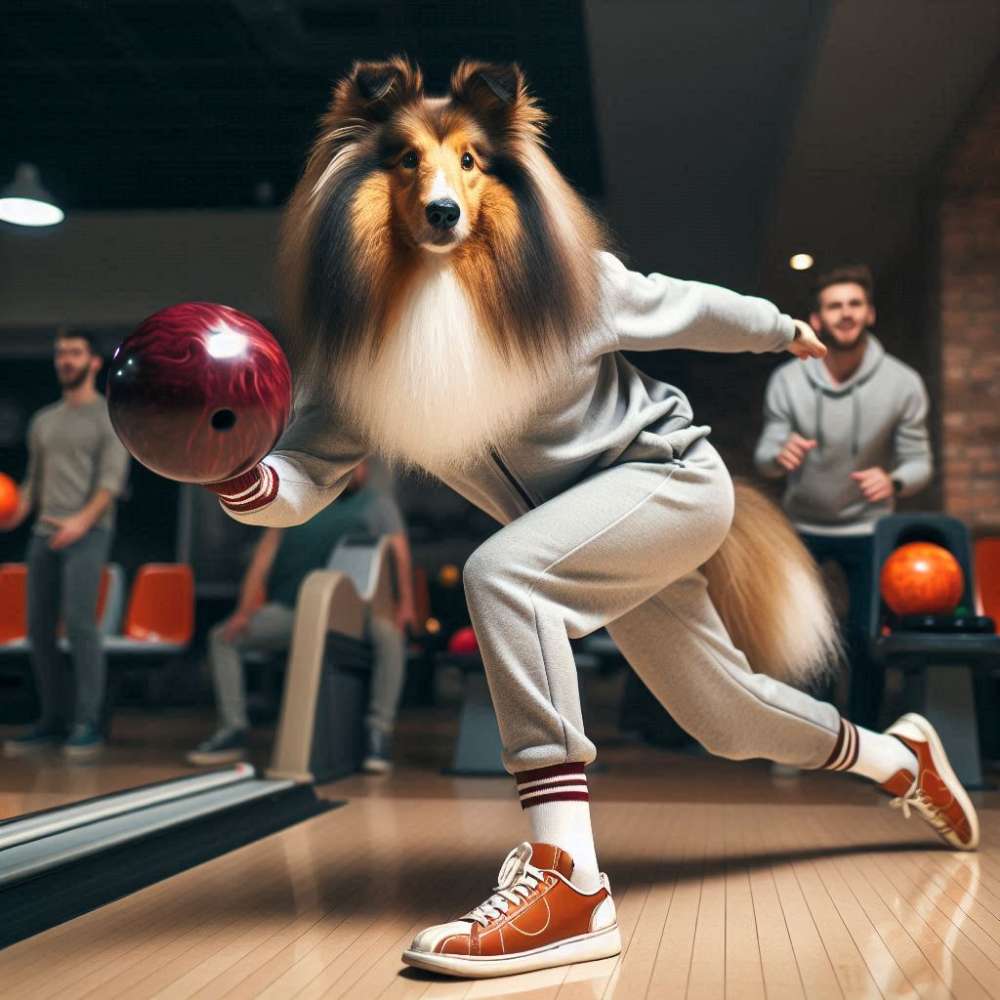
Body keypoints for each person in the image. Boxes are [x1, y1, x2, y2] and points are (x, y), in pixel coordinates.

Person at [203, 60, 977, 978]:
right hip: (582, 541)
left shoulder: (567, 286)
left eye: (467, 164)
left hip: (668, 482)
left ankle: (569, 878)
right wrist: (243, 480)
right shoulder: (355, 356)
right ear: (364, 183)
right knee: (726, 721)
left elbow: (684, 305)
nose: (439, 189)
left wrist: (779, 328)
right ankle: (899, 760)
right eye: (410, 164)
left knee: (503, 573)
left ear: (502, 175)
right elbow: (307, 473)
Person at [754, 265, 933, 728]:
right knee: (808, 633)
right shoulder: (788, 381)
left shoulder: (903, 383)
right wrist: (781, 455)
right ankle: (812, 734)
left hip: (869, 525)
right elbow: (765, 455)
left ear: (869, 313)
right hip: (804, 523)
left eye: (854, 304)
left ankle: (868, 735)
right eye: (835, 306)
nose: (846, 313)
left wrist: (893, 481)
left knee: (865, 634)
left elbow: (920, 462)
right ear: (816, 320)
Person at [187, 459, 415, 771]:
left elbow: (399, 554)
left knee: (389, 638)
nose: (357, 471)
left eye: (361, 466)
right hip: (293, 611)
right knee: (222, 638)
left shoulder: (376, 505)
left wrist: (406, 606)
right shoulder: (297, 502)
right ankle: (233, 729)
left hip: (356, 613)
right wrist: (244, 612)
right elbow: (263, 560)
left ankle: (379, 733)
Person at [2, 329, 130, 760]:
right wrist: (13, 514)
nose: (65, 360)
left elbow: (110, 485)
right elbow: (33, 484)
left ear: (94, 362)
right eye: (60, 353)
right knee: (38, 630)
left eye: (74, 353)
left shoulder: (109, 417)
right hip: (43, 534)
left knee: (79, 625)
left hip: (89, 533)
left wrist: (80, 523)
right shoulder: (44, 420)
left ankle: (87, 722)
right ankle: (51, 720)